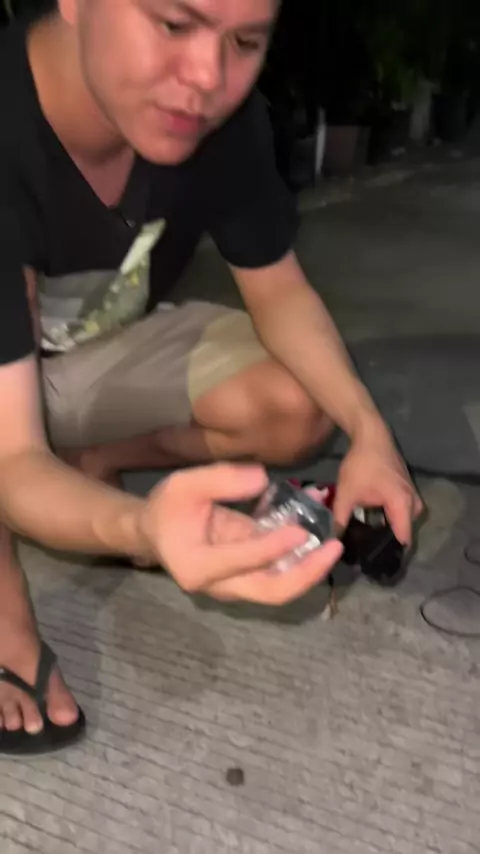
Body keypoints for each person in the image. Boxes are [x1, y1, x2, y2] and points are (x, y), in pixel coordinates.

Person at [0, 0, 422, 755]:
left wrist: (371, 433)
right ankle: (6, 629)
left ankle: (92, 460)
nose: (207, 78)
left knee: (300, 403)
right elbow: (10, 458)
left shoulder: (223, 120)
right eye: (173, 23)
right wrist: (139, 528)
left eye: (245, 40)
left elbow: (279, 290)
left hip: (88, 358)